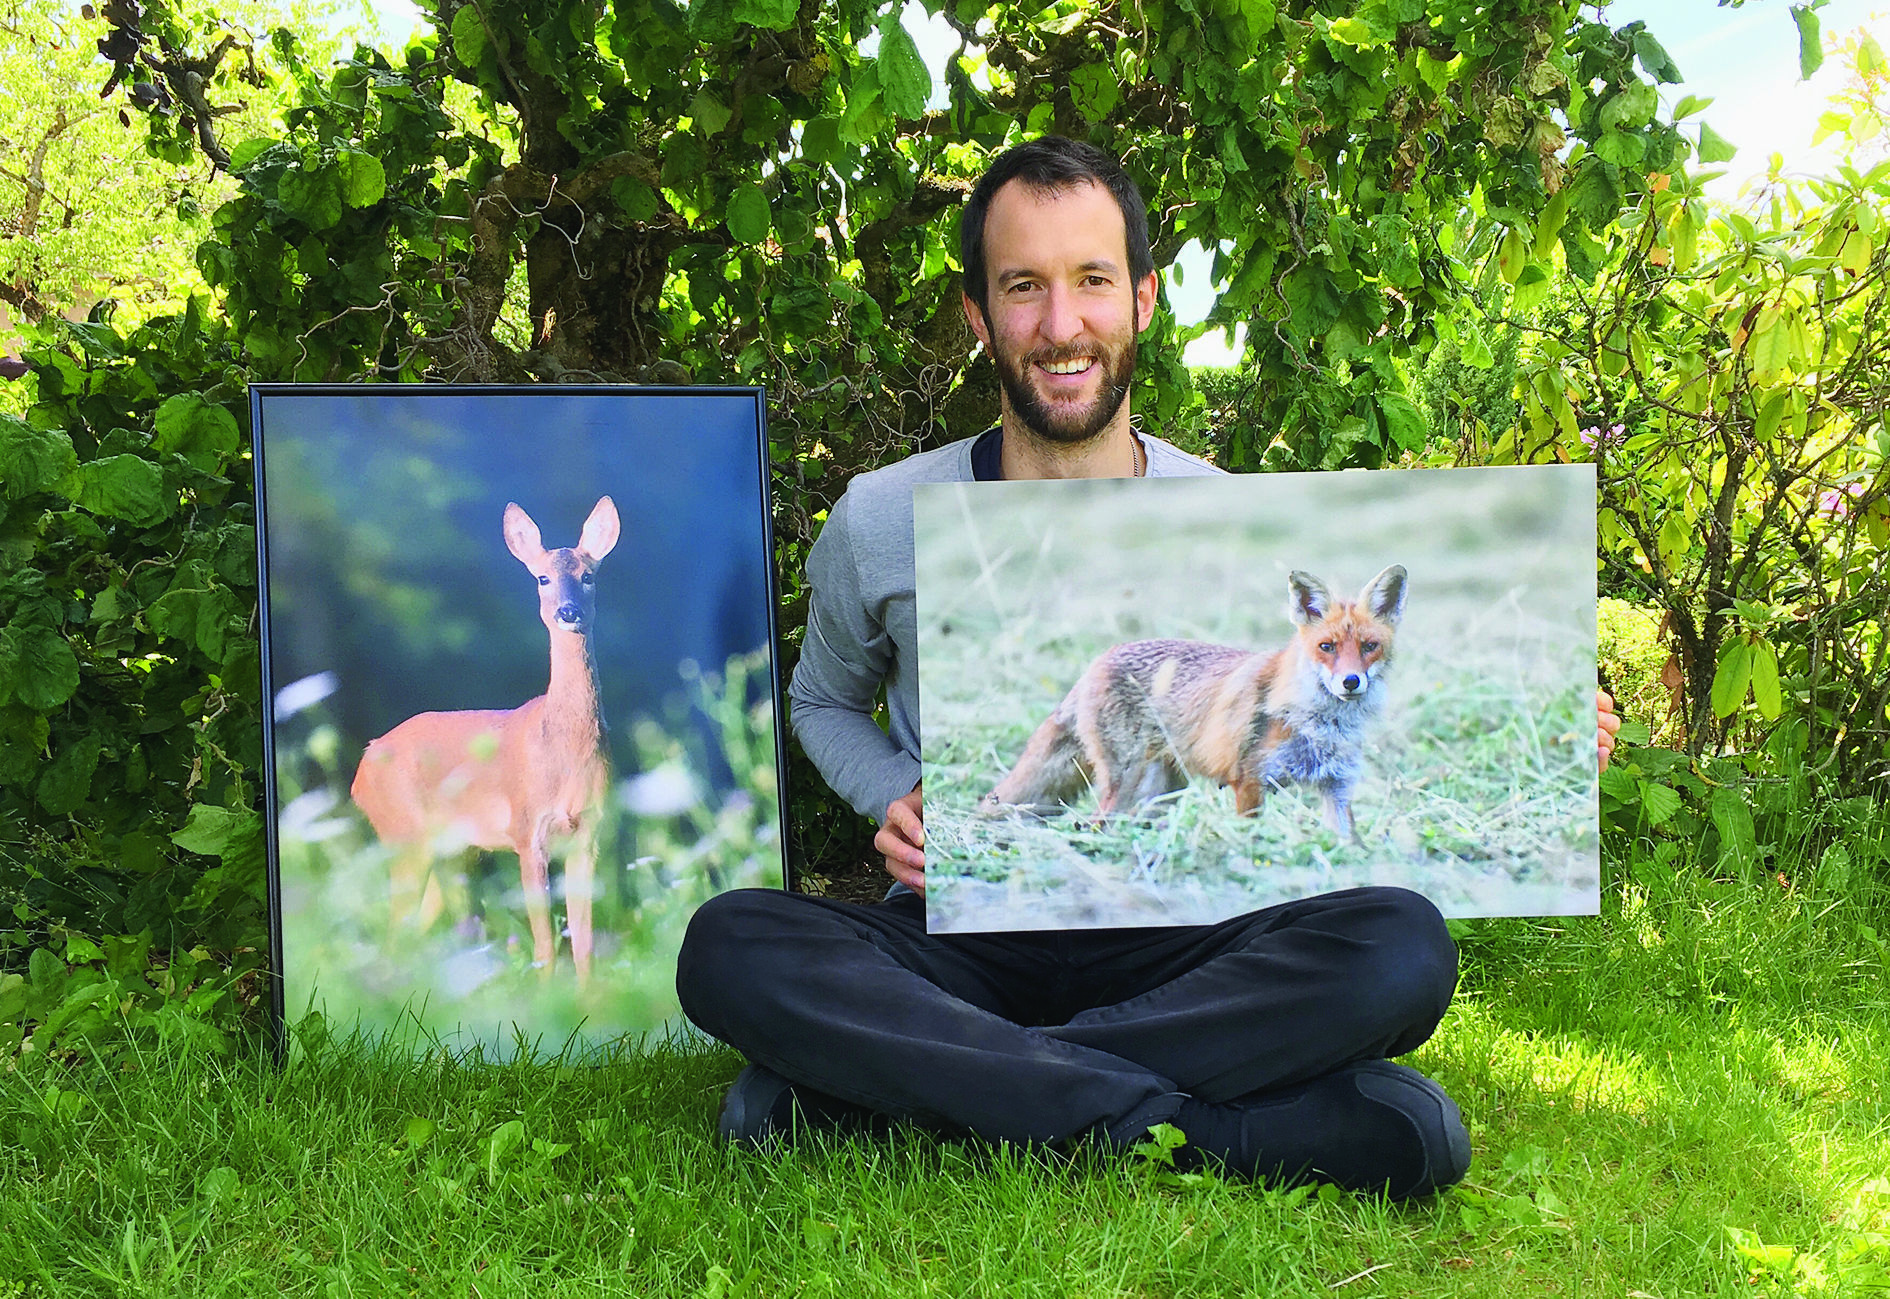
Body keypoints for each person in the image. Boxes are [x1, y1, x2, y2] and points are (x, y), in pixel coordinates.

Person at [678, 136, 1622, 1199]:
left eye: (1090, 282)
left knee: (1399, 945)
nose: (1061, 324)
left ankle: (921, 1087)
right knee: (730, 942)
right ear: (979, 318)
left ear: (1142, 300)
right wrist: (890, 794)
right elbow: (822, 701)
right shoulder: (882, 517)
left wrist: (1562, 714)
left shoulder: (1218, 499)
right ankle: (1228, 1134)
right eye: (1023, 288)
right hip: (967, 928)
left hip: (1184, 940)